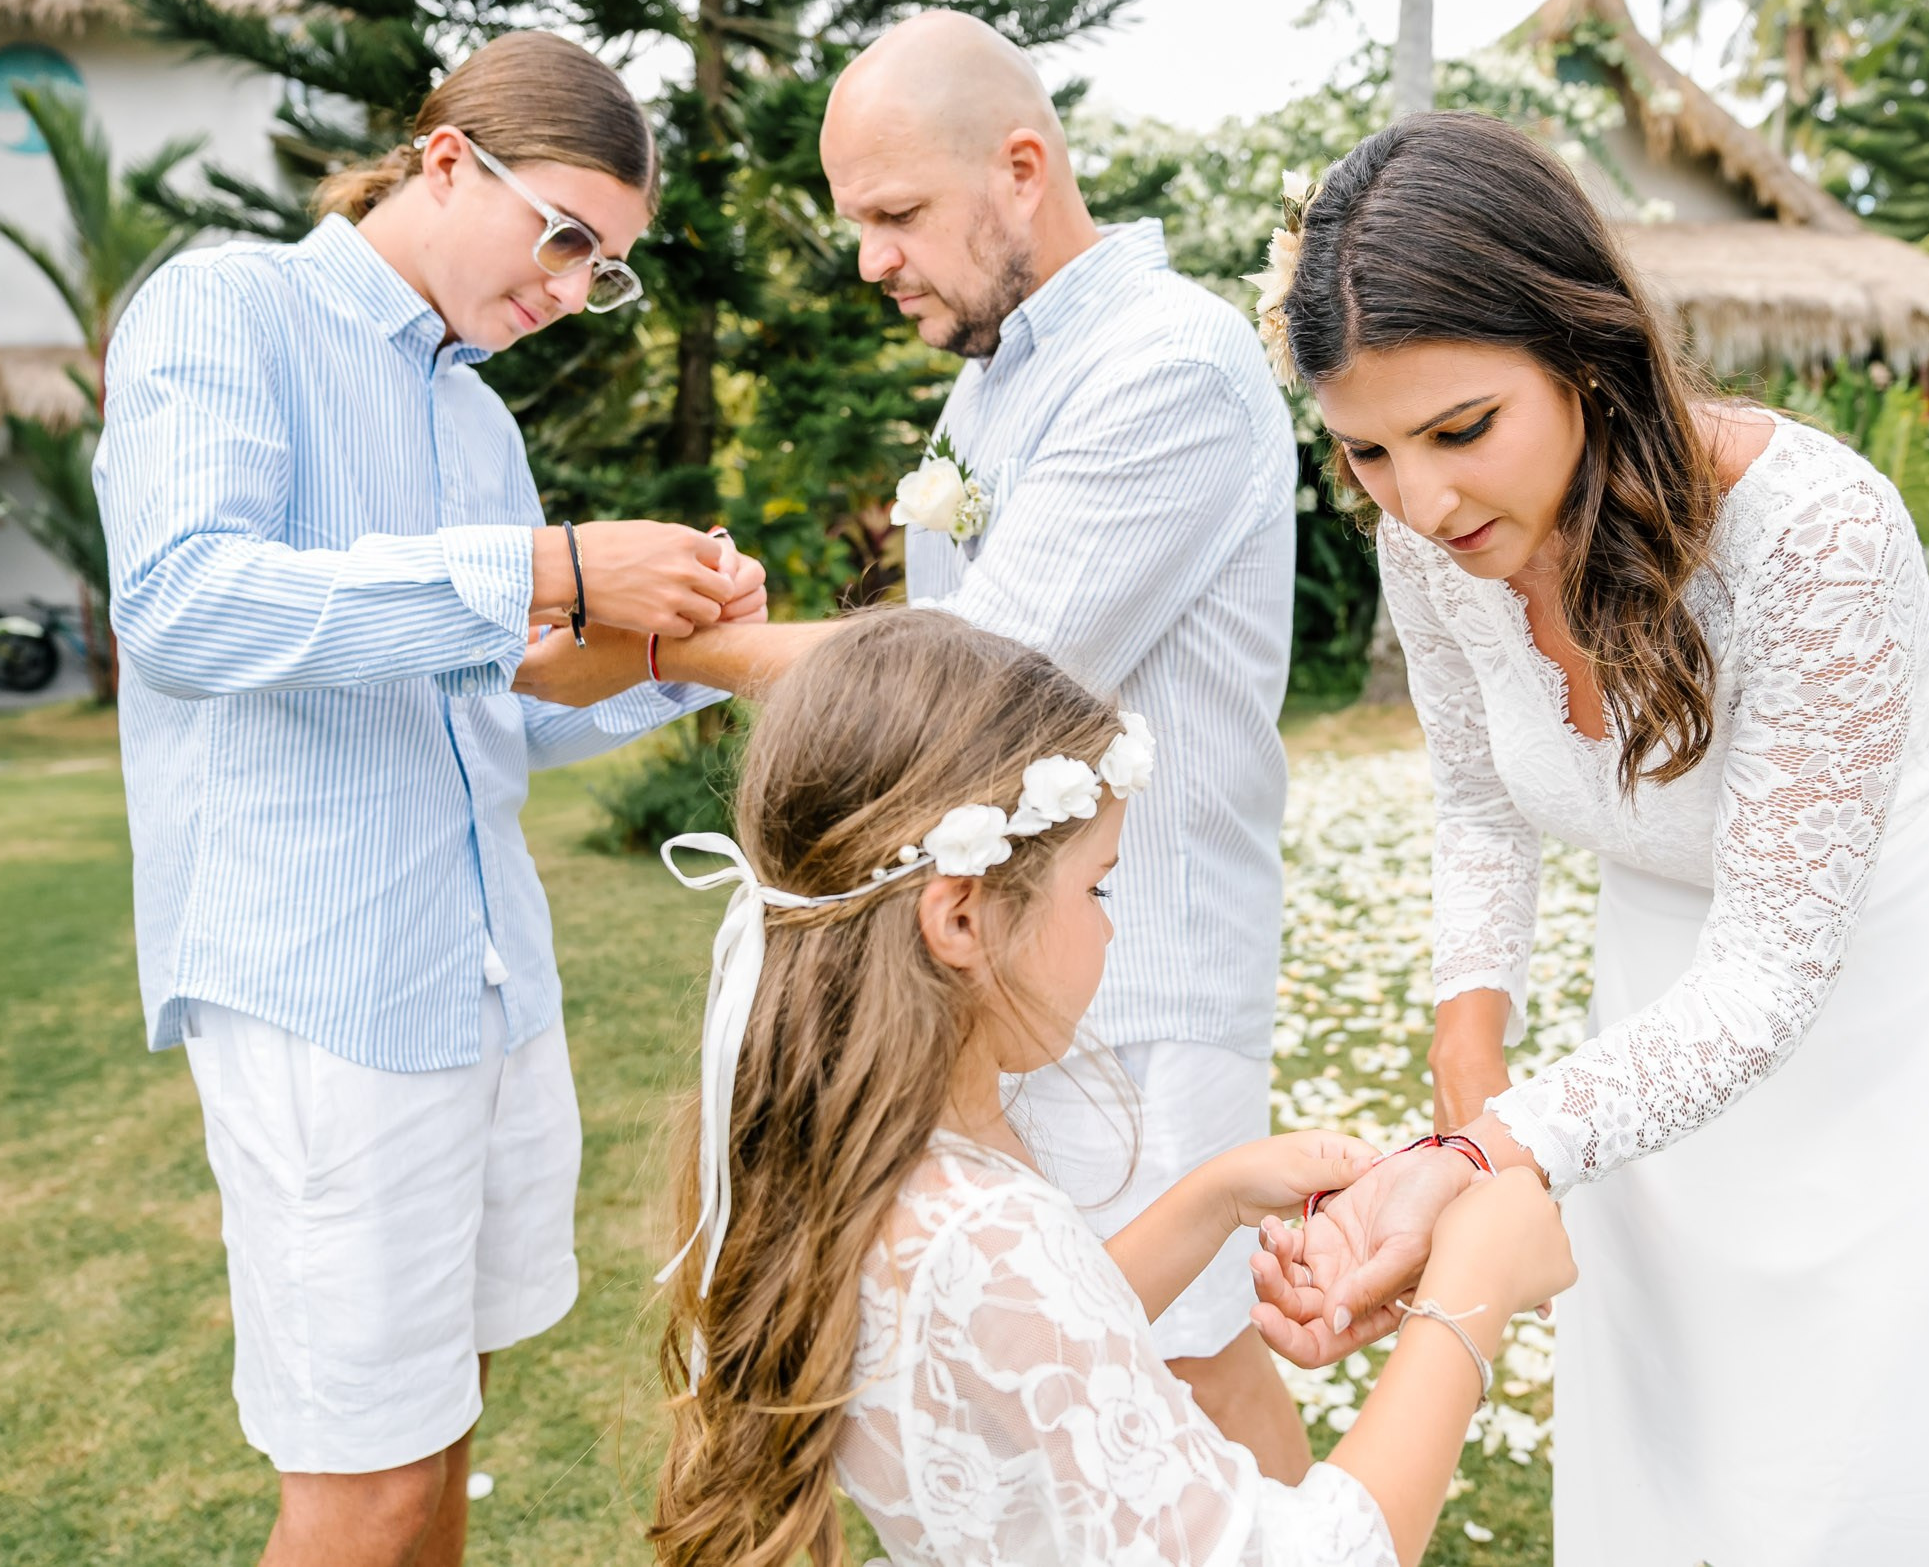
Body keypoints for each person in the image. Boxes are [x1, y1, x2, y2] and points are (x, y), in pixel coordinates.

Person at [1242, 114, 1929, 1564]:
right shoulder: (1430, 547)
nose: (1421, 499)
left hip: (1883, 1021)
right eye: (1366, 449)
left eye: (1462, 429)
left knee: (1875, 1460)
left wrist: (1491, 1148)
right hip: (1649, 1022)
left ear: (1586, 349)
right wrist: (1469, 1061)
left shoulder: (1818, 535)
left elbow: (1770, 967)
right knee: (1689, 1439)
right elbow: (1477, 798)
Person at [95, 33, 765, 1567]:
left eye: (607, 266)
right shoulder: (229, 305)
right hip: (321, 984)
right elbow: (185, 604)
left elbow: (497, 702)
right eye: (568, 236)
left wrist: (688, 646)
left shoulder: (478, 419)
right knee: (368, 1481)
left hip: (486, 980)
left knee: (446, 1424)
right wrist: (553, 563)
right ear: (449, 159)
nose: (575, 288)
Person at [626, 10, 1309, 1472]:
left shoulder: (1168, 363)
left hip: (1144, 970)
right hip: (1006, 966)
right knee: (1054, 1371)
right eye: (855, 222)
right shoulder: (996, 373)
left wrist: (659, 646)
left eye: (894, 213)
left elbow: (978, 674)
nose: (869, 258)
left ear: (1021, 167)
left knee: (1181, 1360)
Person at [645, 607, 1577, 1567]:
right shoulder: (987, 1231)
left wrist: (1216, 1196)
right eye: (1096, 886)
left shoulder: (883, 1176)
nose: (1110, 927)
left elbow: (1027, 1353)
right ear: (960, 919)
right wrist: (1472, 1290)